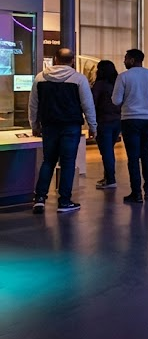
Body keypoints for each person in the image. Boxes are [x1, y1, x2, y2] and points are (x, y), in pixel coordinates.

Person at [29, 48, 97, 214]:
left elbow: (33, 104)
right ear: (72, 61)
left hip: (49, 125)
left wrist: (34, 125)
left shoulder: (40, 77)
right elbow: (88, 105)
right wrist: (93, 126)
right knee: (67, 163)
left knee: (48, 161)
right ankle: (64, 201)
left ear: (55, 59)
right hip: (71, 126)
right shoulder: (79, 79)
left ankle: (40, 198)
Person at [112, 49, 148, 203]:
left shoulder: (123, 77)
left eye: (125, 58)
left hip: (130, 119)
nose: (123, 61)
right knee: (146, 154)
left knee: (133, 157)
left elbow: (116, 100)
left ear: (132, 60)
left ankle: (136, 193)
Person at [92, 60, 121, 190]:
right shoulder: (118, 84)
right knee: (109, 149)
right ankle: (108, 177)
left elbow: (93, 102)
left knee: (106, 151)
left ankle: (110, 179)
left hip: (104, 121)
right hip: (118, 120)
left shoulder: (99, 85)